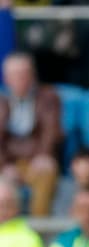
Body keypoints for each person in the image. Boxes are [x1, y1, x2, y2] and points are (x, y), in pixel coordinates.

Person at [0, 53, 61, 217]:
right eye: (15, 74)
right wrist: (4, 165)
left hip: (37, 159)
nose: (20, 78)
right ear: (6, 78)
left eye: (24, 73)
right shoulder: (1, 102)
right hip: (8, 162)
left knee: (47, 171)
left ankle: (39, 229)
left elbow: (51, 130)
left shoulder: (48, 97)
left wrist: (43, 155)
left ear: (33, 75)